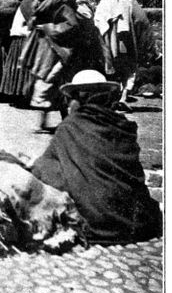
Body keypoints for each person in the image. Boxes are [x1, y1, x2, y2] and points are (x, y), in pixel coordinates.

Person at [30, 70, 162, 244]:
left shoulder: (70, 126)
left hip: (94, 222)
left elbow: (43, 165)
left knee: (45, 167)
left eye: (71, 98)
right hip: (135, 221)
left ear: (79, 98)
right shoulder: (122, 125)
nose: (68, 104)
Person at [19, 0, 82, 132]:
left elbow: (71, 25)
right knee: (51, 83)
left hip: (58, 48)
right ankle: (55, 121)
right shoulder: (45, 2)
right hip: (45, 49)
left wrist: (48, 28)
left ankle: (58, 121)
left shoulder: (62, 1)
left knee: (50, 81)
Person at [94, 0, 158, 112]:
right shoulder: (129, 0)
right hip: (127, 41)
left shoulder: (104, 1)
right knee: (129, 70)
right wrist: (145, 45)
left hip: (109, 43)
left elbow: (98, 23)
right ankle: (123, 97)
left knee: (112, 69)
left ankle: (113, 99)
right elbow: (141, 21)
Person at [0, 0, 38, 105]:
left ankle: (19, 96)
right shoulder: (29, 2)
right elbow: (34, 23)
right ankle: (21, 96)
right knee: (23, 68)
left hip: (21, 37)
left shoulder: (30, 1)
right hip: (23, 37)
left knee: (19, 69)